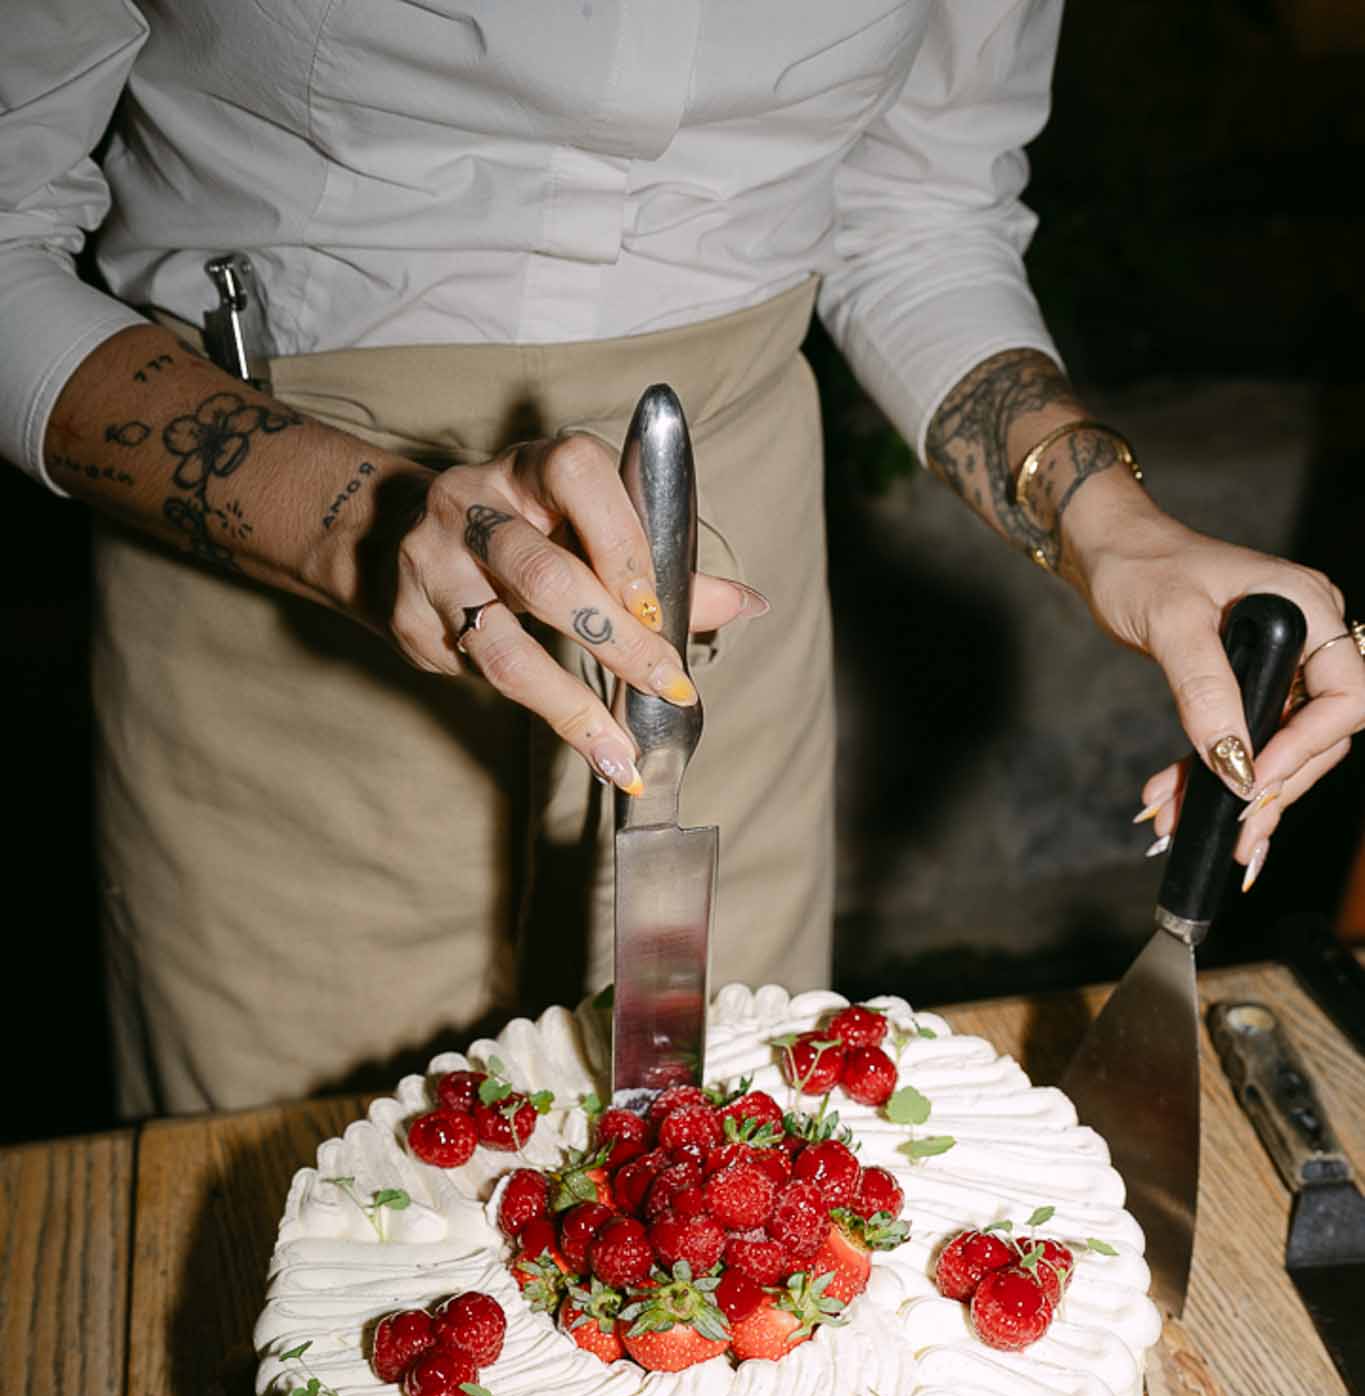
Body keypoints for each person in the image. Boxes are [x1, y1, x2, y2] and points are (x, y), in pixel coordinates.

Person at [3, 1, 1361, 1116]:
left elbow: (915, 209)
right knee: (327, 1212)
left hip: (730, 542)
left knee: (728, 1143)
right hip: (284, 535)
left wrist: (1107, 519)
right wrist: (349, 513)